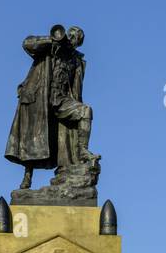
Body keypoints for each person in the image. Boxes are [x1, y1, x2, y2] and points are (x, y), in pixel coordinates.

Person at [5, 25, 97, 191]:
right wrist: (52, 39)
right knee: (32, 139)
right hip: (40, 99)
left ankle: (82, 150)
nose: (72, 38)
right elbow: (27, 44)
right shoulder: (50, 47)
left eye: (76, 37)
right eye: (71, 34)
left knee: (85, 110)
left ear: (78, 43)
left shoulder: (76, 61)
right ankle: (27, 176)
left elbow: (77, 91)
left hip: (61, 101)